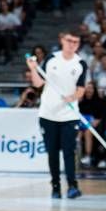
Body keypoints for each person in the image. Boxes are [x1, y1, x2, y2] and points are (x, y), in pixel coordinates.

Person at [26, 29, 87, 199]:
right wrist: (33, 69)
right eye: (69, 41)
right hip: (48, 114)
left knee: (69, 151)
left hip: (69, 115)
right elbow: (38, 83)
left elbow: (81, 90)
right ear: (62, 40)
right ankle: (55, 187)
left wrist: (72, 97)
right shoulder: (52, 59)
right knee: (52, 152)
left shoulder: (80, 63)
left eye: (76, 42)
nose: (72, 45)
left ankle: (73, 186)